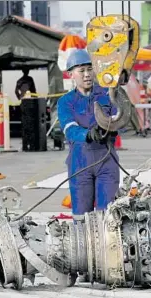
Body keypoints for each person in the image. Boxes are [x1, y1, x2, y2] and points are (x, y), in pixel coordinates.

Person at [57, 49, 120, 222]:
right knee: (81, 216)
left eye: (89, 69)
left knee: (107, 217)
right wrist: (88, 134)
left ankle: (106, 248)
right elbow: (69, 128)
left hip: (107, 160)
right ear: (71, 74)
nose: (87, 75)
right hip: (80, 163)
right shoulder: (65, 102)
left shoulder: (108, 95)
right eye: (81, 70)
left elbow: (120, 117)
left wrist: (112, 128)